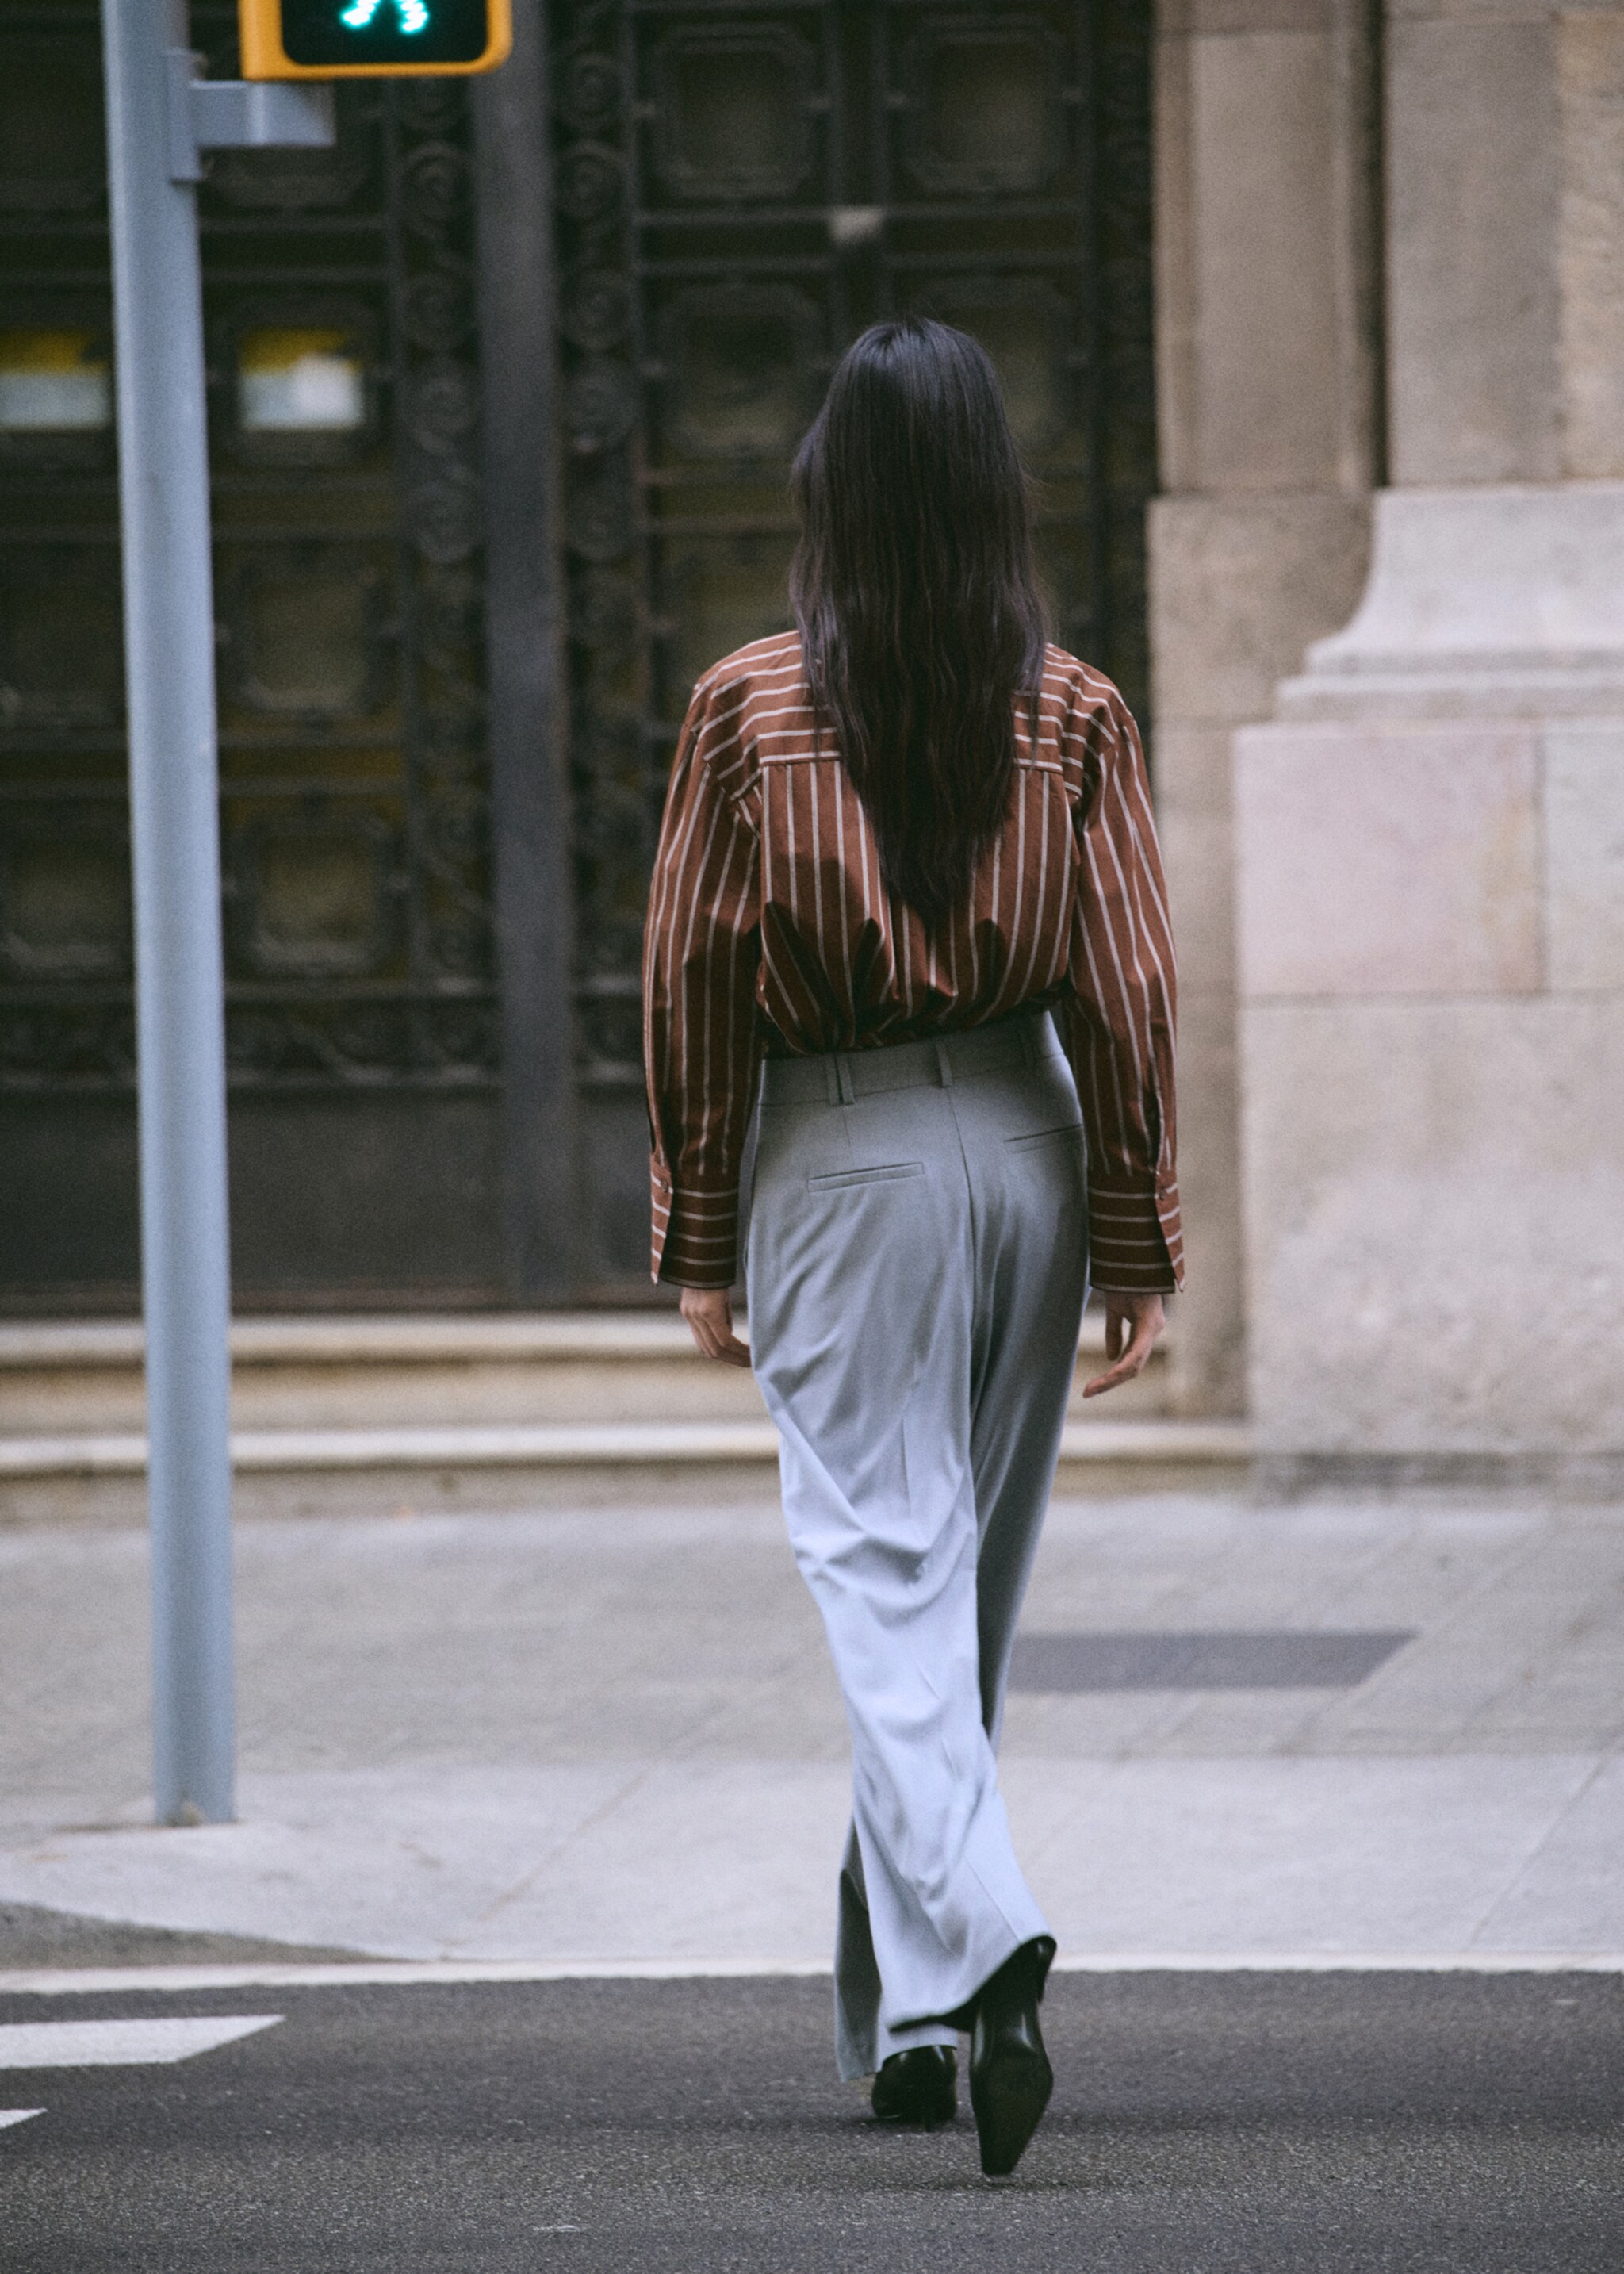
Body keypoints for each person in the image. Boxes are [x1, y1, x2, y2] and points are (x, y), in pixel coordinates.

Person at [642, 317, 1180, 2178]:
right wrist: (1138, 1235)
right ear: (992, 494)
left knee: (884, 1584)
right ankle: (911, 2019)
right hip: (1027, 1140)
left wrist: (697, 1227)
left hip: (841, 1150)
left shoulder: (743, 706)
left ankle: (989, 1940)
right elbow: (1129, 986)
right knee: (953, 1613)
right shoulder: (1080, 708)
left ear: (827, 491)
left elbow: (692, 981)